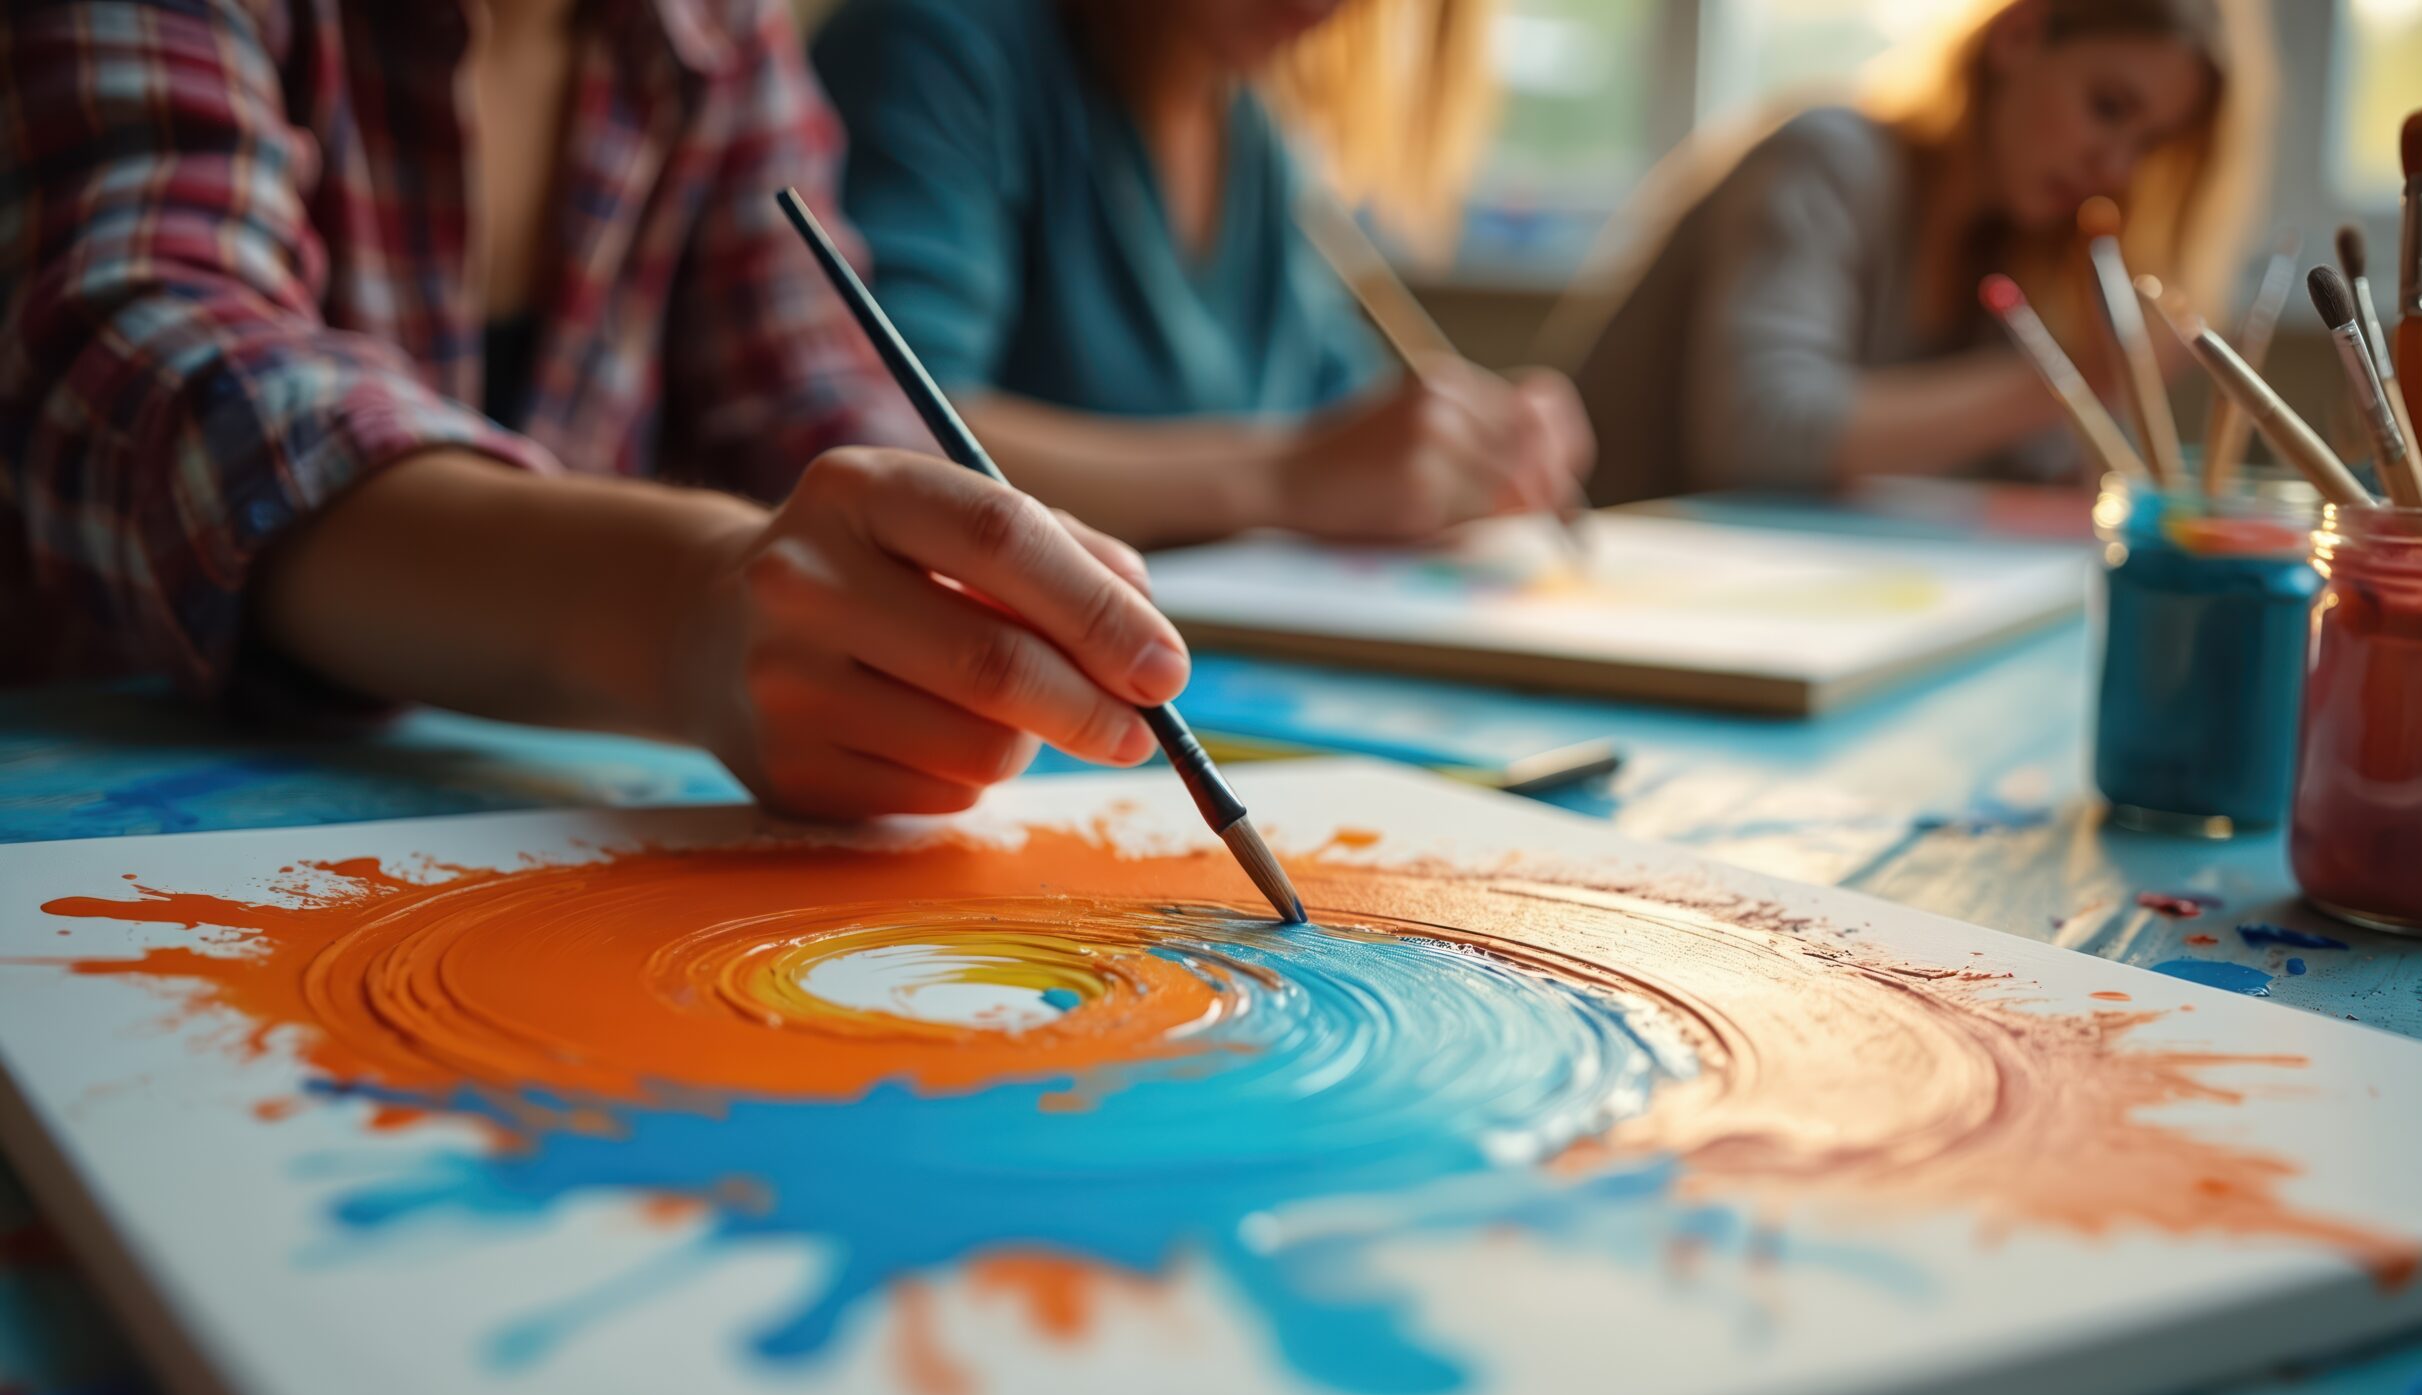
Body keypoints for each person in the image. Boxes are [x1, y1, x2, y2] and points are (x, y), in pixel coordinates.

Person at [0, 0, 1192, 821]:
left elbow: (817, 403)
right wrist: (683, 616)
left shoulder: (712, 32)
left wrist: (925, 560)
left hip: (502, 829)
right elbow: (150, 369)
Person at [810, 0, 1593, 549]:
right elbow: (884, 436)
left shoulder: (1254, 137)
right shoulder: (936, 49)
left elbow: (1340, 429)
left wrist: (1460, 454)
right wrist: (1285, 480)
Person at [1568, 0, 2271, 501]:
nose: (2115, 167)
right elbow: (1761, 436)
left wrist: (2103, 414)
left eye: (2148, 145)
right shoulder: (1824, 162)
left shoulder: (2018, 245)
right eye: (2109, 108)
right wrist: (2074, 378)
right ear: (2019, 35)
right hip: (1595, 594)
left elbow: (2071, 478)